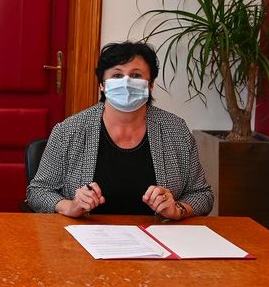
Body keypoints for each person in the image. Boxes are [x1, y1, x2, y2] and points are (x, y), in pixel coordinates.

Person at [26, 41, 213, 219]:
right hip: (86, 235)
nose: (126, 83)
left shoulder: (176, 130)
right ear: (102, 84)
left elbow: (202, 195)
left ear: (150, 85)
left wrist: (178, 209)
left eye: (136, 75)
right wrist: (70, 206)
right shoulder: (69, 130)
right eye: (117, 76)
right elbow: (37, 191)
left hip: (157, 235)